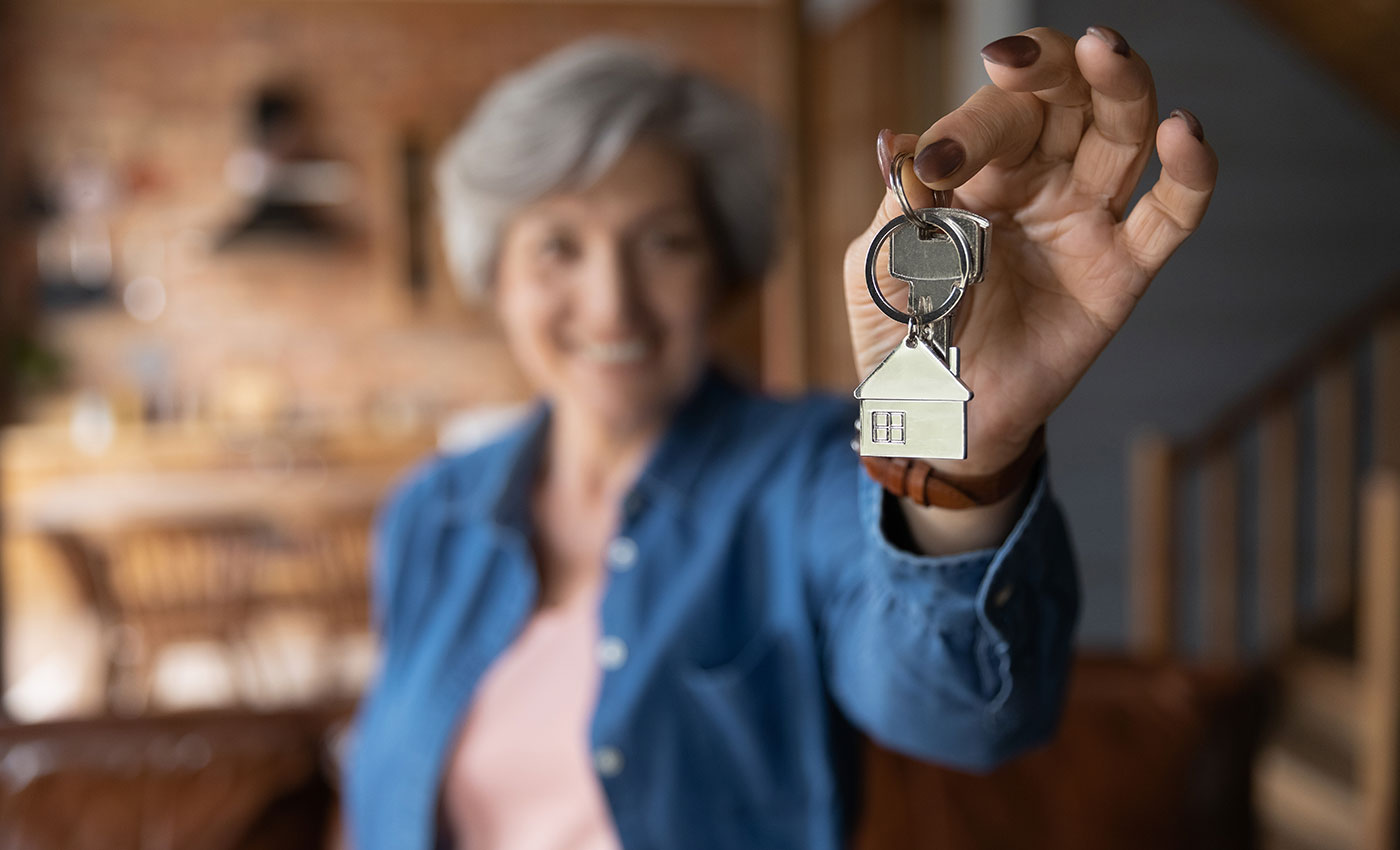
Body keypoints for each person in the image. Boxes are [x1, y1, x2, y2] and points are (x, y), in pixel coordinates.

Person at [346, 25, 1217, 850]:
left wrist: (953, 459)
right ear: (492, 273)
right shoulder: (430, 510)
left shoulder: (815, 466)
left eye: (666, 242)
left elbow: (960, 715)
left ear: (726, 270)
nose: (612, 302)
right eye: (557, 248)